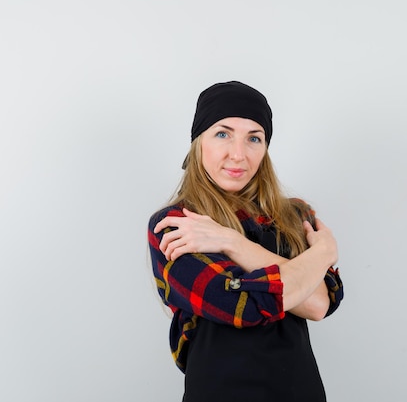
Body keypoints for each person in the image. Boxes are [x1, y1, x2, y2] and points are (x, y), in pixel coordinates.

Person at [147, 80, 344, 402]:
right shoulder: (176, 224)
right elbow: (242, 307)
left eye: (254, 138)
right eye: (222, 134)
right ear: (198, 143)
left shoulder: (295, 216)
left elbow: (319, 304)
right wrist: (321, 254)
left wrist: (231, 243)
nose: (238, 154)